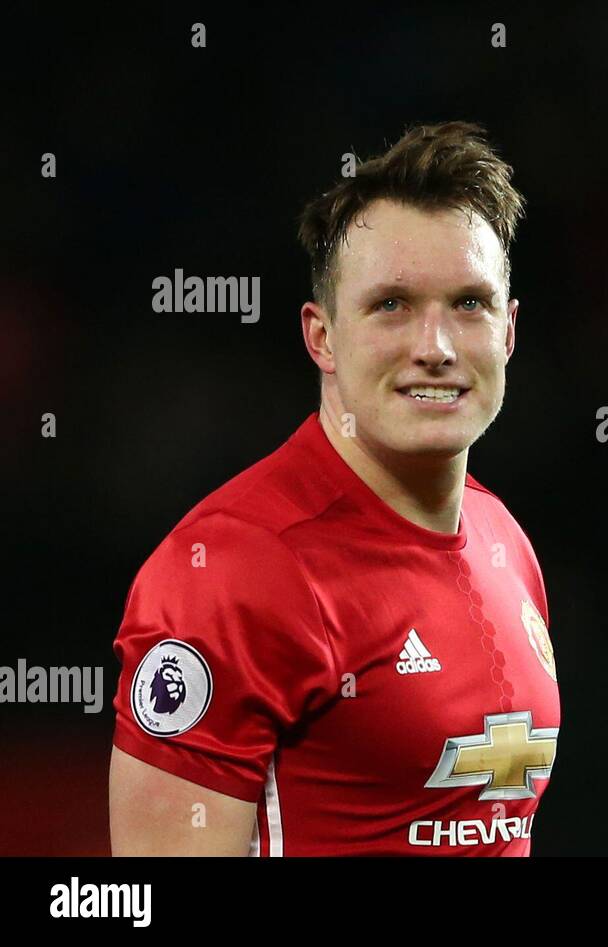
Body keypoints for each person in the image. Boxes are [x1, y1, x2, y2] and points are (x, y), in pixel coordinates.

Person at [108, 122, 559, 856]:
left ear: (508, 331)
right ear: (321, 336)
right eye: (392, 305)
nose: (436, 347)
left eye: (469, 304)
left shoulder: (502, 536)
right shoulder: (231, 568)